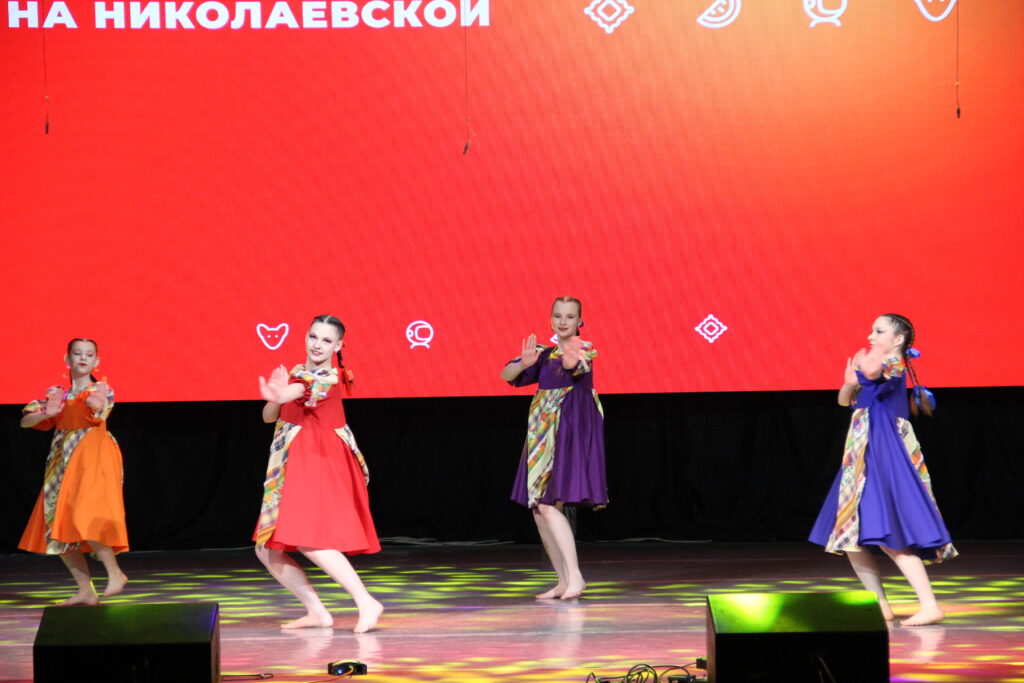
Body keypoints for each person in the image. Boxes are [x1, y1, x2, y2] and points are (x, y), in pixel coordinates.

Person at [809, 314, 956, 626]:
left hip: (883, 451)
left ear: (898, 339)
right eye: (871, 330)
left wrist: (868, 364)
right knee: (850, 536)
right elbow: (845, 401)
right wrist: (850, 383)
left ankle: (930, 605)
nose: (871, 336)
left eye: (879, 331)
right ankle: (880, 605)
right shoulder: (875, 364)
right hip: (860, 455)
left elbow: (875, 373)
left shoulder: (894, 361)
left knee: (889, 535)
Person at [254, 314, 383, 632]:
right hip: (291, 462)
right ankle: (317, 612)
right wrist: (275, 396)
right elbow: (269, 416)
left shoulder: (328, 377)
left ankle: (366, 602)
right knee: (265, 547)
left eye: (326, 340)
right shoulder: (299, 372)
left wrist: (282, 392)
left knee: (307, 537)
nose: (317, 344)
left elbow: (300, 390)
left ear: (338, 346)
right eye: (313, 336)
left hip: (319, 461)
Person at [502, 296, 608, 600]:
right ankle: (563, 580)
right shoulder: (543, 354)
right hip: (541, 433)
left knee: (548, 504)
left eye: (570, 316)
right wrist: (523, 364)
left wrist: (572, 362)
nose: (563, 322)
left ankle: (576, 576)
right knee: (539, 508)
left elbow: (578, 366)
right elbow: (506, 376)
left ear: (579, 321)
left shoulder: (582, 349)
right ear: (551, 320)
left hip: (568, 431)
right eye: (558, 316)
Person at [18, 338, 129, 605]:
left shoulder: (99, 388)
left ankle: (115, 572)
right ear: (67, 359)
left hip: (93, 454)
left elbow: (99, 409)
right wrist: (46, 413)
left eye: (89, 354)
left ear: (96, 361)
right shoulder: (58, 394)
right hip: (63, 459)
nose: (82, 358)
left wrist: (95, 401)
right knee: (57, 522)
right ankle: (85, 591)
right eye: (77, 353)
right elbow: (25, 421)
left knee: (84, 514)